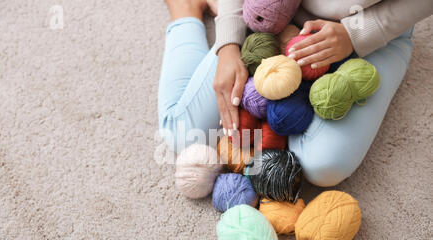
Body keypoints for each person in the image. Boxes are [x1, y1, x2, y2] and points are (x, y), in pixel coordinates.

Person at [158, 0, 432, 186]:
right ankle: (187, 9)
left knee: (323, 166)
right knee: (181, 134)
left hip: (376, 20)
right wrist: (228, 41)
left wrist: (355, 34)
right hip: (277, 8)